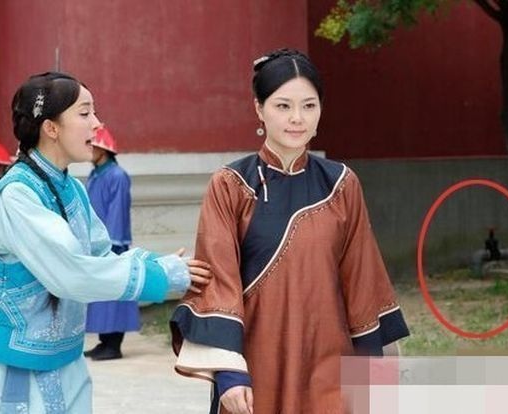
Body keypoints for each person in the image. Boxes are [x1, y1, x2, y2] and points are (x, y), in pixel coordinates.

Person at [0, 71, 211, 414]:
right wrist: (161, 276)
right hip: (10, 372)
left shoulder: (71, 189)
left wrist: (159, 264)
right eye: (85, 113)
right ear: (51, 128)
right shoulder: (17, 196)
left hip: (62, 363)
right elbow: (73, 273)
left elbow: (100, 255)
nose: (96, 123)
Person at [170, 49, 410, 414]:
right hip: (256, 365)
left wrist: (371, 371)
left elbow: (362, 280)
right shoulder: (231, 185)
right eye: (283, 106)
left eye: (309, 106)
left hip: (329, 362)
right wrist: (230, 374)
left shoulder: (341, 184)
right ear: (259, 109)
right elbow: (219, 279)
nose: (297, 118)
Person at [83, 126, 139, 361]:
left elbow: (117, 212)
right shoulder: (96, 175)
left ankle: (114, 344)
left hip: (112, 244)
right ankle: (104, 341)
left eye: (93, 145)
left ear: (104, 150)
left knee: (114, 296)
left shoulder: (117, 175)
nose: (89, 149)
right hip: (97, 244)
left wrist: (112, 243)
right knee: (101, 296)